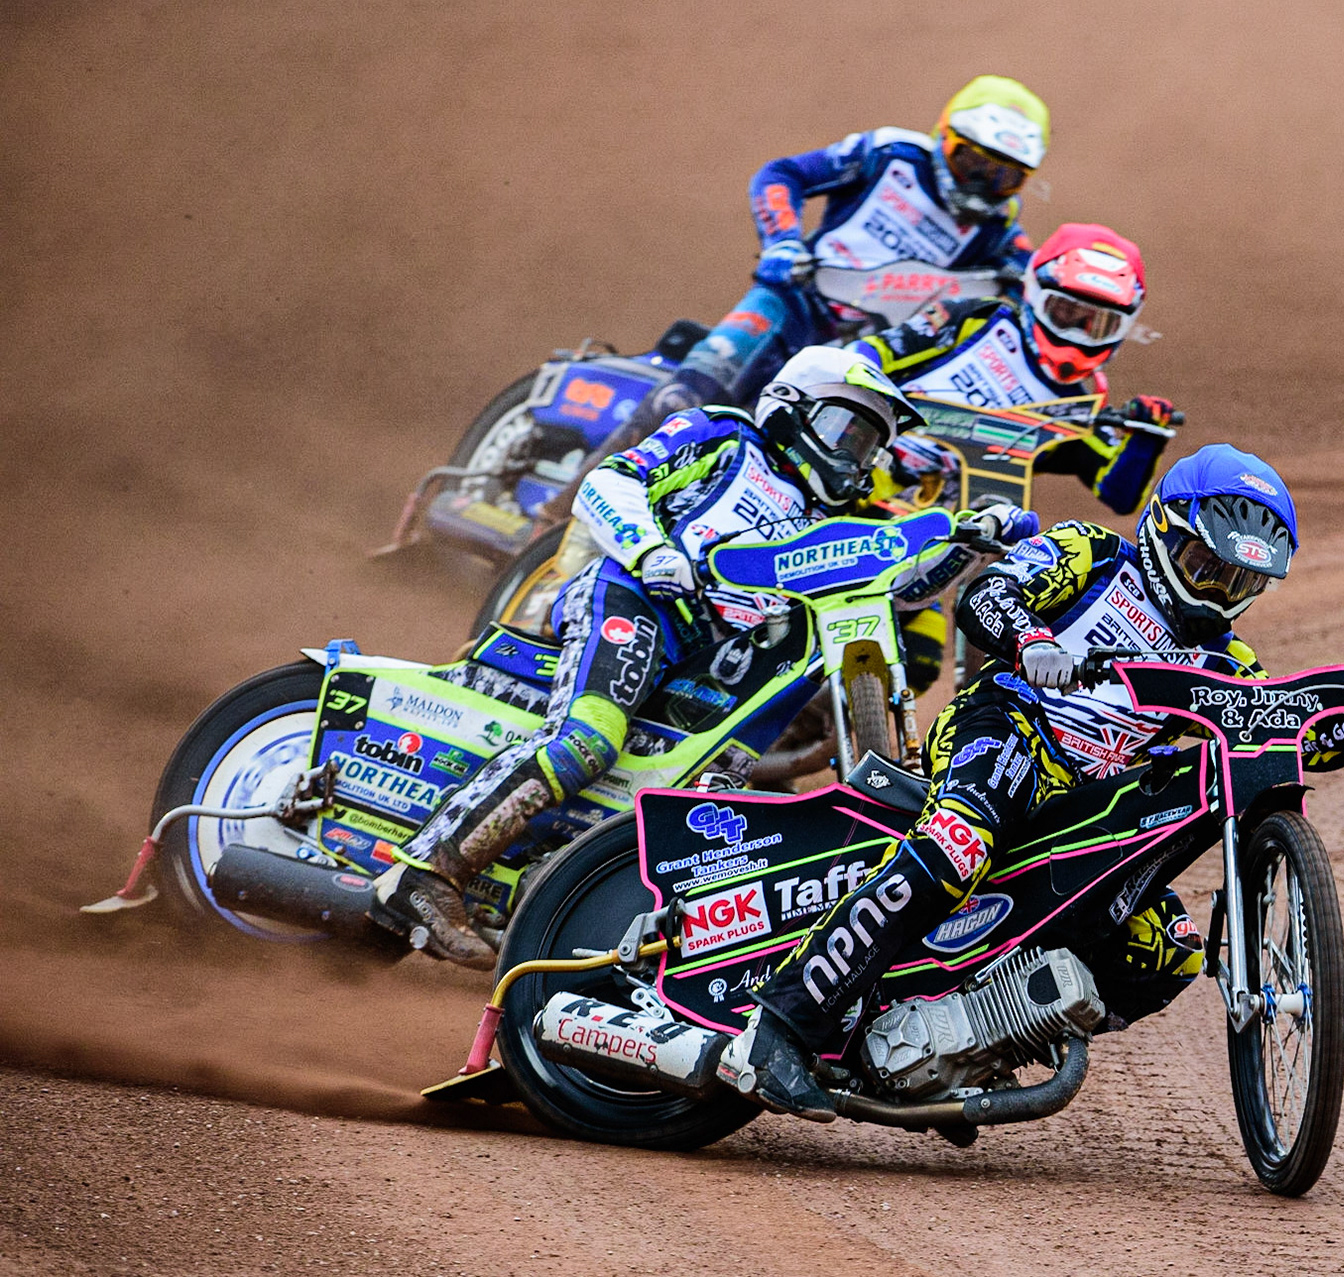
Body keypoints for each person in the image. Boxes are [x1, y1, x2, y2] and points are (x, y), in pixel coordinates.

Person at [719, 444, 1344, 1119]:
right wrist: (1034, 639)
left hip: (1087, 803)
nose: (1218, 591)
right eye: (1206, 566)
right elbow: (988, 595)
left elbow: (1293, 738)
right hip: (1006, 728)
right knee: (958, 845)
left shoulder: (1228, 660)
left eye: (1239, 580)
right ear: (1165, 531)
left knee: (1166, 954)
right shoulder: (1095, 556)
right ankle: (781, 1023)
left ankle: (970, 1040)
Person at [371, 348, 957, 967]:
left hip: (706, 651)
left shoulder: (822, 520)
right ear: (793, 407)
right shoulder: (725, 436)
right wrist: (650, 550)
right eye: (849, 431)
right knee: (588, 740)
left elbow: (896, 593)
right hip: (632, 597)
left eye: (869, 447)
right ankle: (423, 876)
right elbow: (608, 483)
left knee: (701, 798)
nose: (854, 457)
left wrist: (969, 543)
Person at [853, 222, 1180, 517]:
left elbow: (1118, 495)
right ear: (1036, 293)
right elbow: (872, 353)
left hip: (904, 529)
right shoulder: (977, 320)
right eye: (1066, 312)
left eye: (1097, 324)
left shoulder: (1080, 410)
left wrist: (1146, 438)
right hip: (844, 461)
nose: (1077, 333)